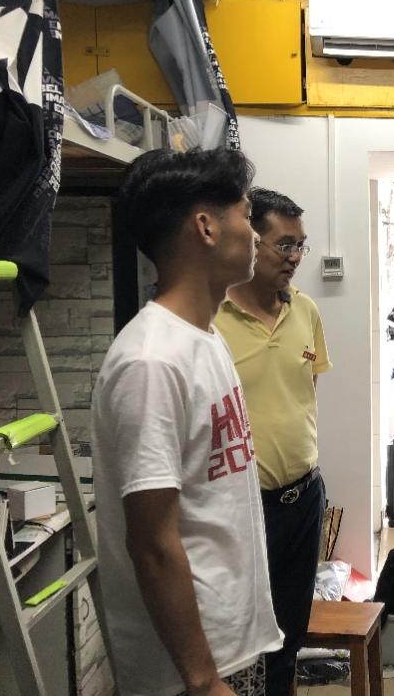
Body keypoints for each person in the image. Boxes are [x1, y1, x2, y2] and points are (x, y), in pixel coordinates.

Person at [91, 148, 282, 696]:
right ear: (205, 227)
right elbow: (152, 543)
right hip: (187, 673)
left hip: (228, 645)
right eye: (246, 215)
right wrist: (202, 680)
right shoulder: (151, 361)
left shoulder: (205, 337)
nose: (255, 235)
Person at [213, 188, 331, 696]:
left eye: (301, 245)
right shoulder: (211, 318)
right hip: (241, 509)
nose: (295, 257)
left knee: (289, 635)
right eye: (285, 244)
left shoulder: (306, 311)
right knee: (238, 639)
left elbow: (306, 394)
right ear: (251, 241)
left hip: (303, 498)